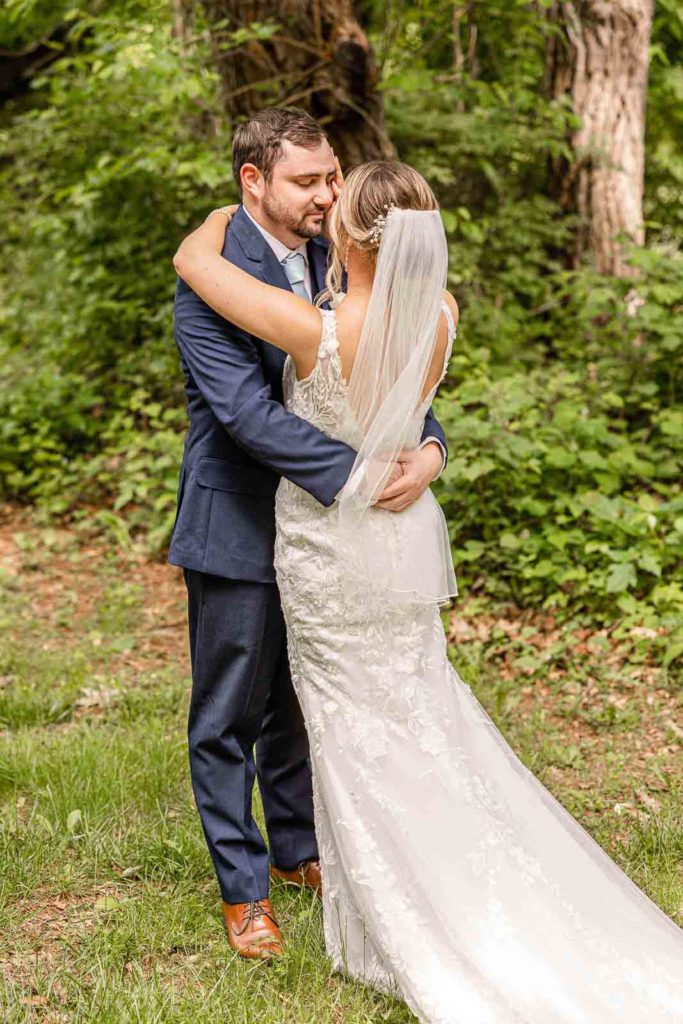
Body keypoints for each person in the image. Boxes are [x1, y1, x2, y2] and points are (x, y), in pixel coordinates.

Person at [173, 156, 683, 1022]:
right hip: (397, 543)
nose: (325, 202)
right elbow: (405, 409)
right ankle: (413, 858)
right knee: (414, 708)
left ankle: (391, 887)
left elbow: (195, 265)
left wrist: (221, 215)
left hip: (333, 551)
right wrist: (428, 455)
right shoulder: (437, 315)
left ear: (355, 234)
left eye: (338, 194)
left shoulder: (316, 329)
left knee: (349, 718)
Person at [168, 107, 447, 961]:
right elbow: (247, 416)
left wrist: (429, 446)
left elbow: (398, 366)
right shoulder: (210, 274)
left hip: (332, 538)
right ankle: (243, 890)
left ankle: (296, 852)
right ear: (253, 181)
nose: (329, 193)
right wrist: (361, 477)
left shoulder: (348, 248)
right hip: (241, 517)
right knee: (230, 711)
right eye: (308, 180)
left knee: (299, 702)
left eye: (333, 176)